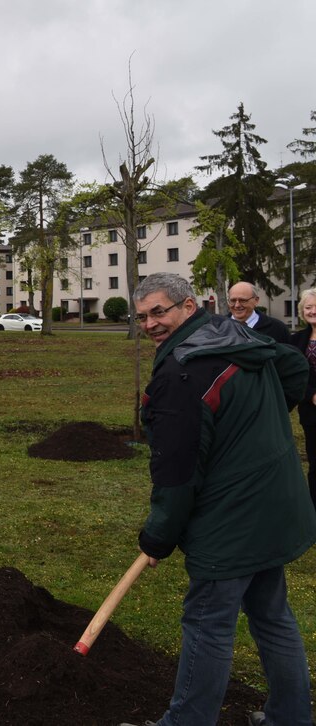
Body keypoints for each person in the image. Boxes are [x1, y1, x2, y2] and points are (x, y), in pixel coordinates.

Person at [123, 272, 315, 726]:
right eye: (142, 316)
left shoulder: (183, 371)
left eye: (159, 311)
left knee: (208, 622)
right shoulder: (233, 337)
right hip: (275, 504)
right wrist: (253, 423)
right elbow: (293, 367)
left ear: (189, 306)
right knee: (271, 613)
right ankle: (291, 717)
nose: (149, 324)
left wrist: (158, 536)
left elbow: (177, 472)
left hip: (232, 520)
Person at [288, 287, 316, 510]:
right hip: (311, 410)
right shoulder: (297, 339)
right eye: (308, 307)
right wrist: (311, 395)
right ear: (301, 311)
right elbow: (295, 373)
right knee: (315, 461)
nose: (312, 311)